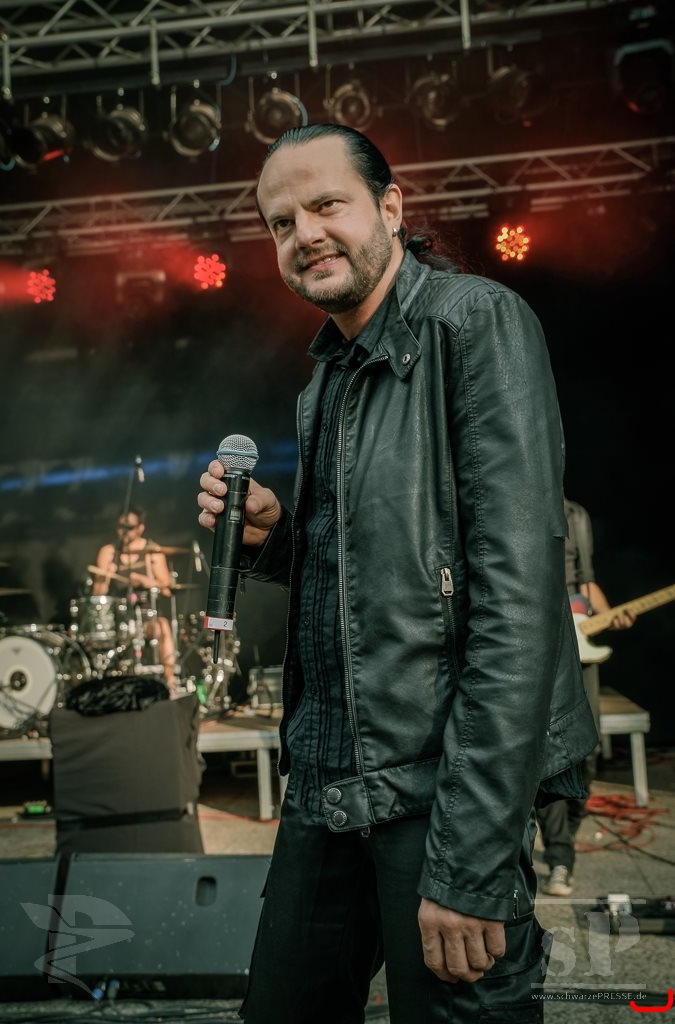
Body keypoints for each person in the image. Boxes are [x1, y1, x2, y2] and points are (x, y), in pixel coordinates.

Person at [197, 124, 598, 1023]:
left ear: (389, 207)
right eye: (280, 222)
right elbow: (378, 576)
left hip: (435, 792)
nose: (303, 234)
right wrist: (275, 538)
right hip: (327, 782)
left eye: (325, 205)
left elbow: (518, 608)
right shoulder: (326, 380)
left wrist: (470, 861)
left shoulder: (472, 322)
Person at [535, 497, 635, 897]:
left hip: (579, 646)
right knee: (551, 756)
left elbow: (585, 580)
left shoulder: (575, 514)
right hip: (538, 643)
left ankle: (567, 833)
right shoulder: (518, 498)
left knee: (585, 751)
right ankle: (560, 855)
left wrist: (607, 615)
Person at [92, 506, 177, 690]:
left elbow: (167, 590)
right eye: (120, 527)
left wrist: (145, 581)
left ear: (140, 528)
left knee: (163, 626)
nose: (124, 531)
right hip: (117, 620)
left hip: (145, 619)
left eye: (129, 527)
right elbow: (97, 595)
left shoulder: (152, 552)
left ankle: (170, 680)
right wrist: (105, 576)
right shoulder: (109, 552)